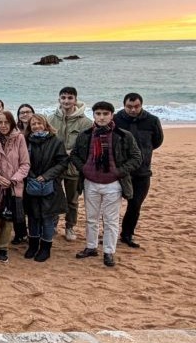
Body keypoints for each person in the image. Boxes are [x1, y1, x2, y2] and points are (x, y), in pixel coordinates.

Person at [71, 102, 141, 267]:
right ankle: (91, 247)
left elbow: (136, 157)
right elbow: (74, 154)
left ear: (111, 115)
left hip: (113, 183)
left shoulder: (123, 135)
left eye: (105, 114)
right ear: (93, 115)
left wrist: (119, 172)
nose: (101, 117)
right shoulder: (85, 134)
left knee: (110, 220)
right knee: (91, 218)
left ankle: (109, 251)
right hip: (90, 182)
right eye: (98, 114)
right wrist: (84, 169)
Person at [114, 92, 164, 248]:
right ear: (124, 106)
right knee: (112, 205)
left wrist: (144, 153)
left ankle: (127, 234)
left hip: (142, 172)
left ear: (141, 105)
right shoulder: (116, 119)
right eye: (129, 107)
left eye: (136, 106)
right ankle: (111, 234)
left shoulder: (152, 121)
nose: (133, 110)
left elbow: (157, 141)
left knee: (135, 205)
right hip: (120, 171)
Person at [0, 111, 29, 263]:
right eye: (0, 122)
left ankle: (3, 248)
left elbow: (25, 164)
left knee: (8, 219)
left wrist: (13, 179)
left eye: (6, 122)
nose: (3, 125)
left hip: (13, 186)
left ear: (11, 123)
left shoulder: (19, 138)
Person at [48, 87, 92, 241]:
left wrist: (70, 152)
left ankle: (70, 227)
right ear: (59, 99)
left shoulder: (86, 123)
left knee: (72, 200)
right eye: (63, 97)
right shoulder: (50, 119)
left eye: (70, 98)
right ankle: (52, 225)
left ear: (75, 100)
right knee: (53, 196)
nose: (66, 101)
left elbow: (87, 146)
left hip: (74, 167)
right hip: (55, 167)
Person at [22, 114, 68, 262]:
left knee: (47, 218)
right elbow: (22, 161)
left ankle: (45, 248)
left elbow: (62, 162)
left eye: (39, 123)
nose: (36, 126)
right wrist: (31, 175)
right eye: (33, 124)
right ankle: (33, 245)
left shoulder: (56, 141)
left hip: (50, 185)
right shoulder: (26, 141)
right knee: (33, 217)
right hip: (31, 183)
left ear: (45, 124)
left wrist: (46, 176)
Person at [12, 103, 36, 244]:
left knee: (31, 205)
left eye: (28, 112)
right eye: (22, 112)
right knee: (17, 204)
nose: (25, 114)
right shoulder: (15, 131)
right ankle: (20, 233)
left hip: (34, 172)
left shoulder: (38, 128)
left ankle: (32, 233)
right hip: (18, 172)